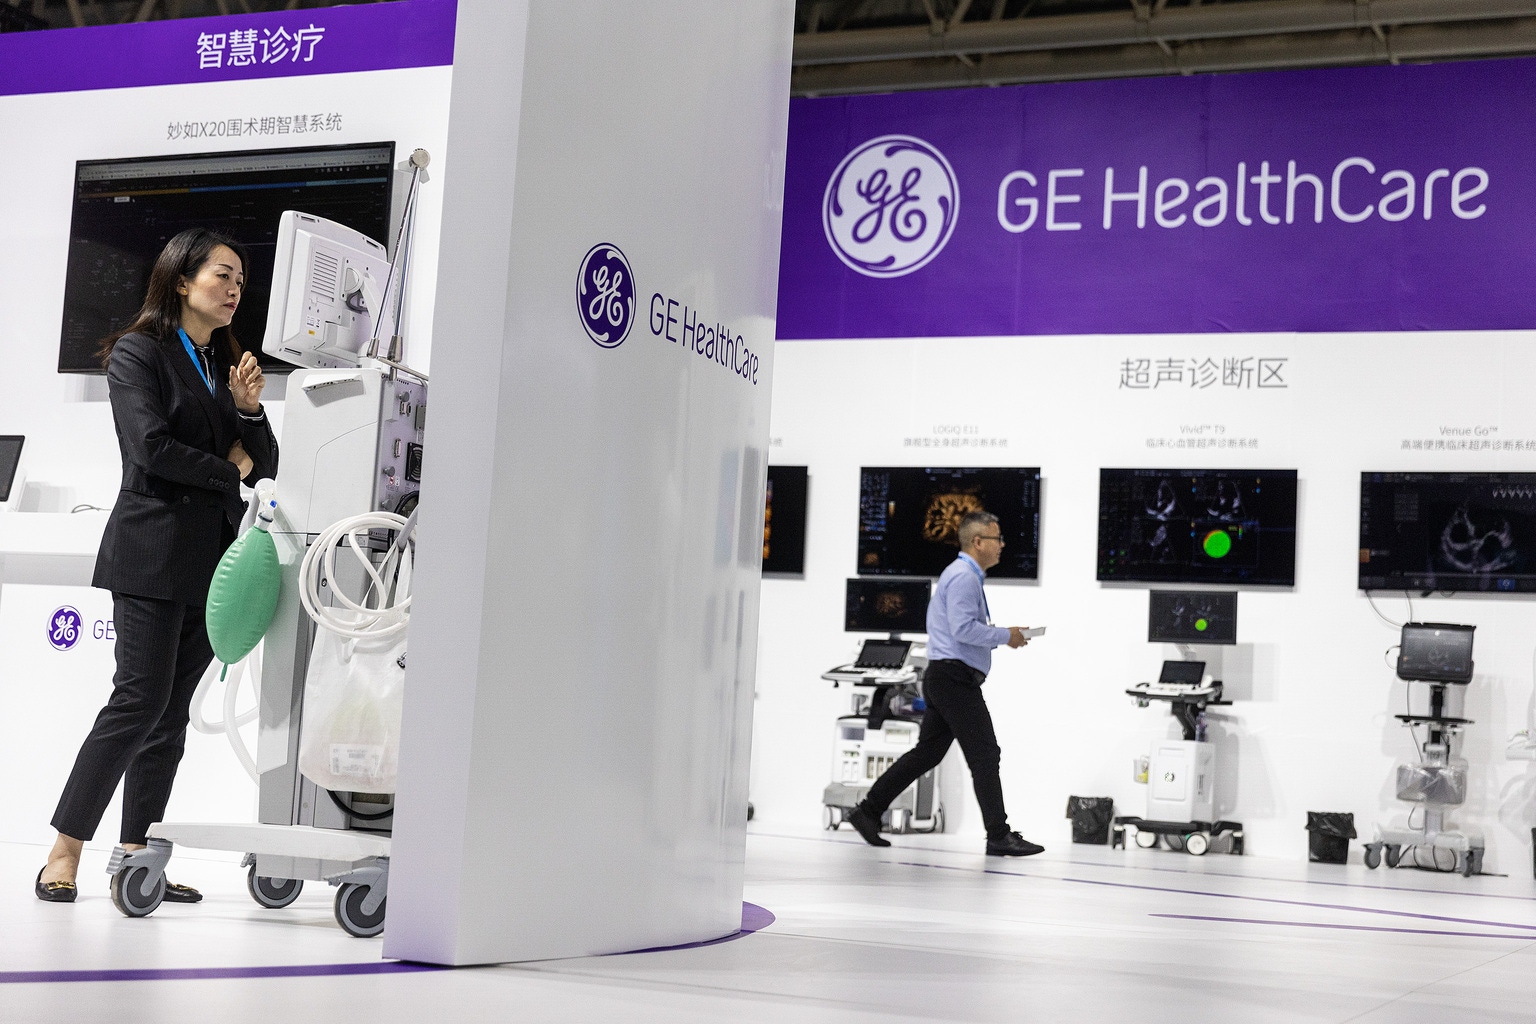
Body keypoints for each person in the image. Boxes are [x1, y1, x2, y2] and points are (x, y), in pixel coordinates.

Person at [36, 228, 278, 903]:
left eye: (241, 280)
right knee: (137, 702)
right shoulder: (138, 351)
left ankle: (138, 857)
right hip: (150, 552)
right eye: (222, 275)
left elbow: (265, 460)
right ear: (181, 279)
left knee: (169, 718)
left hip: (211, 562)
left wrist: (250, 413)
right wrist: (228, 468)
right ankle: (63, 852)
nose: (234, 289)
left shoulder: (222, 363)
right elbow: (150, 448)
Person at [847, 511, 1043, 857]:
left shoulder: (961, 575)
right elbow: (962, 629)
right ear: (978, 542)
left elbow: (961, 628)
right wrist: (1005, 636)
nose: (1002, 545)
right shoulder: (964, 578)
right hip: (954, 679)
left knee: (928, 753)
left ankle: (868, 811)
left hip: (945, 677)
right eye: (997, 539)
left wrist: (1002, 636)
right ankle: (998, 835)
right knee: (985, 754)